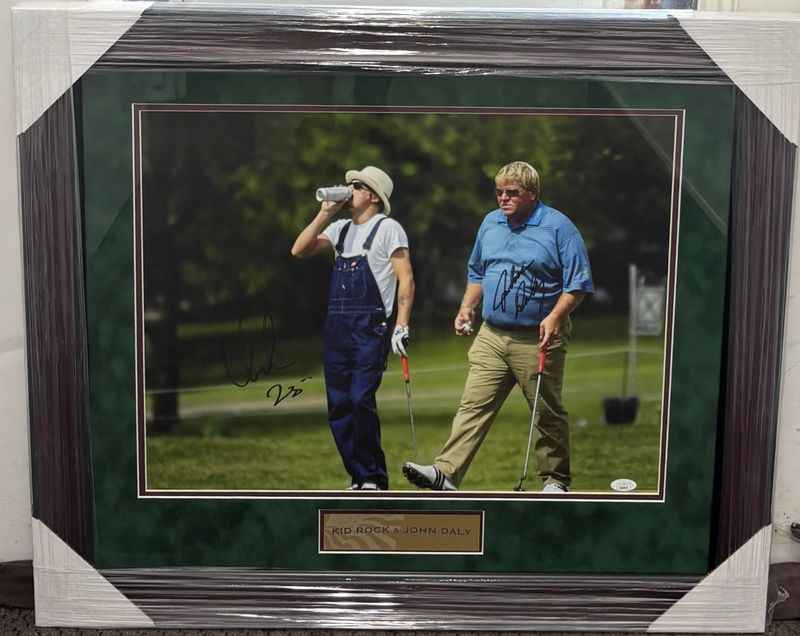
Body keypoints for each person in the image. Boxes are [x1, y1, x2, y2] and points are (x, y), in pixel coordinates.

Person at [403, 161, 593, 493]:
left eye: (512, 193)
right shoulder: (490, 223)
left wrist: (554, 317)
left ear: (532, 194)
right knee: (472, 404)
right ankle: (446, 474)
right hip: (492, 334)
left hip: (538, 337)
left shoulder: (560, 228)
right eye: (498, 192)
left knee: (545, 409)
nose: (502, 199)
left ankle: (555, 480)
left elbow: (577, 285)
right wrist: (467, 308)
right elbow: (477, 271)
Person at [291, 166, 414, 491]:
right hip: (337, 331)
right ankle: (358, 476)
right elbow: (299, 250)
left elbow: (406, 279)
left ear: (373, 196)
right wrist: (323, 214)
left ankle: (374, 476)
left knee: (360, 399)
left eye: (356, 186)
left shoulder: (389, 229)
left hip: (369, 330)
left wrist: (401, 325)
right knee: (340, 406)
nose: (349, 190)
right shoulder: (340, 229)